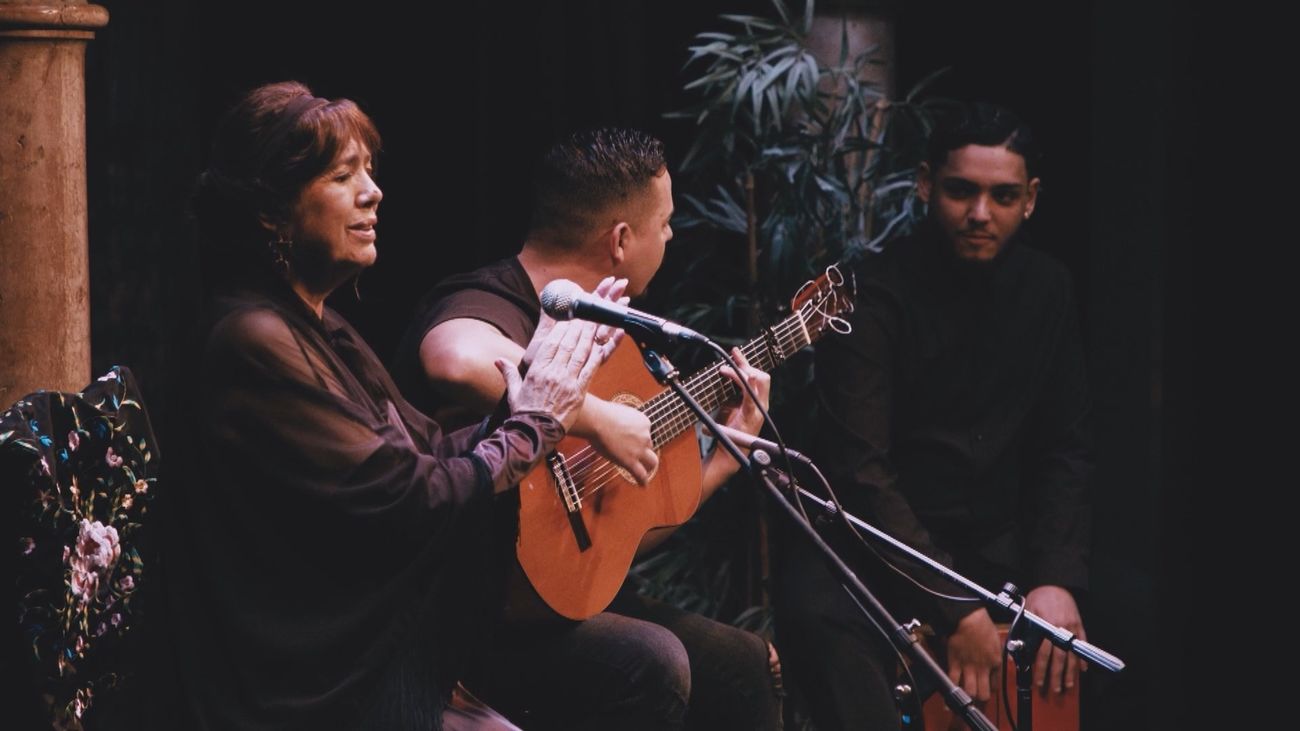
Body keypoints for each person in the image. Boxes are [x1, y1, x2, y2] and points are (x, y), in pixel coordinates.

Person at [163, 81, 623, 731]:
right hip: (303, 684)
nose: (372, 192)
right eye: (343, 175)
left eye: (370, 173)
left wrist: (530, 397)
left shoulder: (320, 326)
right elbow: (407, 495)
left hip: (371, 652)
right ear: (272, 209)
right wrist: (533, 425)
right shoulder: (251, 339)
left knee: (648, 667)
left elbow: (427, 450)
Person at [392, 128, 783, 731]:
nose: (672, 237)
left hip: (542, 601)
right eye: (666, 222)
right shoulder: (496, 299)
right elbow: (454, 357)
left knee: (745, 665)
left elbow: (607, 534)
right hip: (461, 619)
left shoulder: (612, 331)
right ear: (622, 239)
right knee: (652, 662)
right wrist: (598, 419)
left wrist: (723, 460)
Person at [773, 102, 1092, 730]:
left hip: (991, 549)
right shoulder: (867, 293)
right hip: (872, 552)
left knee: (1065, 646)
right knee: (816, 614)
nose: (980, 213)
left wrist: (1055, 577)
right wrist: (955, 610)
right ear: (925, 185)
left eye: (1003, 196)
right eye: (960, 191)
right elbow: (860, 474)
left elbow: (1066, 445)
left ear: (1030, 199)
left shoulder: (1050, 288)